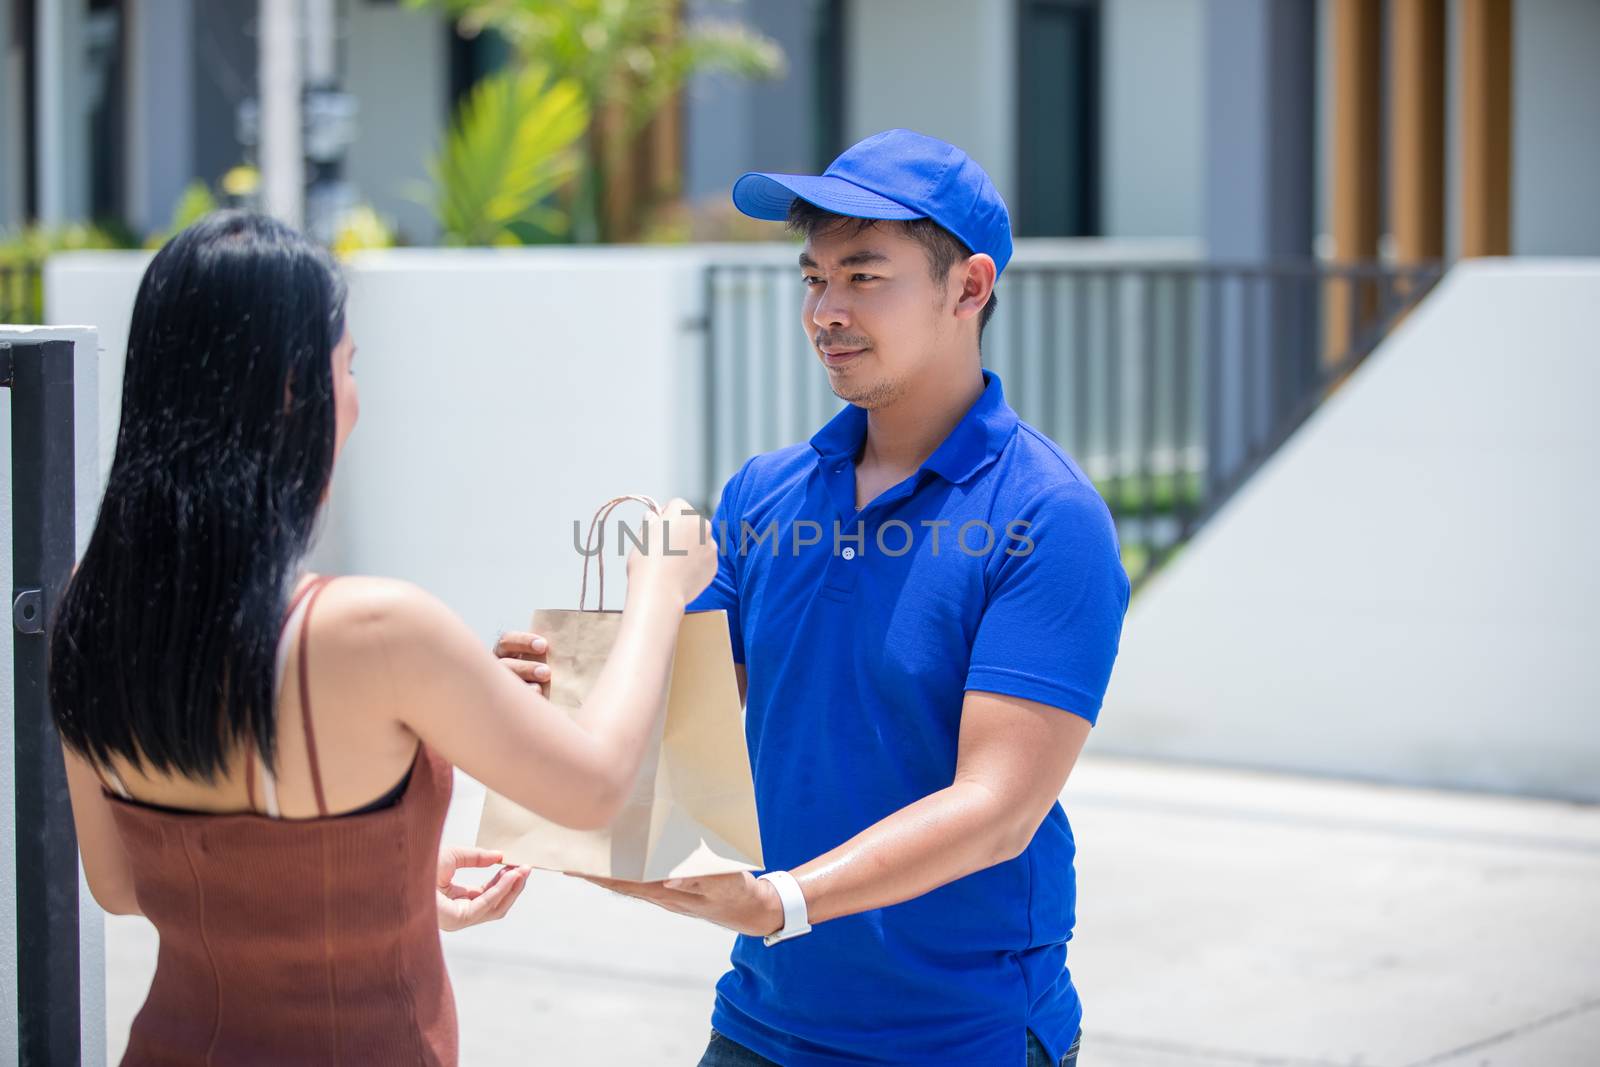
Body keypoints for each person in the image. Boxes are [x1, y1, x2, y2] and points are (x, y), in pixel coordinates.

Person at [48, 210, 715, 1065]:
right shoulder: (371, 629)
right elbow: (592, 788)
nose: (355, 396)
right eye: (348, 365)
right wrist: (658, 589)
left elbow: (123, 884)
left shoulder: (92, 605)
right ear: (295, 390)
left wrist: (381, 888)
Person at [569, 129, 1130, 1066]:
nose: (826, 309)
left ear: (969, 288)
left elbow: (998, 808)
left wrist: (784, 900)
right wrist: (578, 686)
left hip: (959, 1035)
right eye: (813, 277)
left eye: (865, 276)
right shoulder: (766, 490)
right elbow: (699, 723)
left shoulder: (1047, 513)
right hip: (763, 1015)